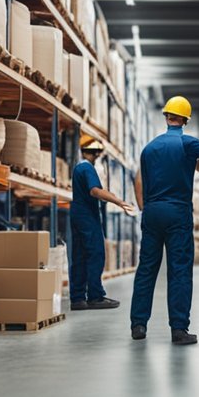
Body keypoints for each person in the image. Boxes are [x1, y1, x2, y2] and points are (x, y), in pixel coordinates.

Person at [130, 96, 199, 345]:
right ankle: (178, 329)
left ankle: (138, 325)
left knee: (146, 269)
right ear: (186, 119)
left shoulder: (149, 148)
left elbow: (138, 181)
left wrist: (146, 208)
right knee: (179, 270)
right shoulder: (188, 143)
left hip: (152, 212)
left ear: (166, 117)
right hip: (177, 213)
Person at [70, 133, 135, 311]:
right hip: (87, 216)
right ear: (94, 152)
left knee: (79, 255)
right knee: (96, 253)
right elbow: (95, 191)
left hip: (77, 213)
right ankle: (95, 297)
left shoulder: (78, 168)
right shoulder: (87, 168)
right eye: (97, 153)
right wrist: (118, 201)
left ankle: (77, 298)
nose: (99, 157)